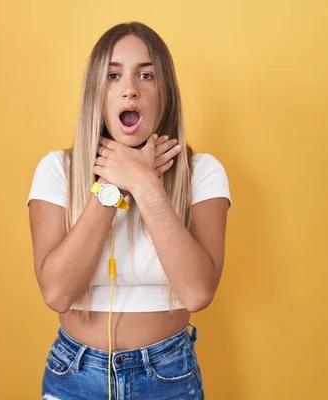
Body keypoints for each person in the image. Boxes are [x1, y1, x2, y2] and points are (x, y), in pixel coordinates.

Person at [26, 21, 231, 399]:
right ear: (96, 93)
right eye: (113, 75)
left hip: (168, 376)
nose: (130, 89)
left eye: (147, 74)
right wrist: (112, 185)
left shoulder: (203, 172)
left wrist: (145, 184)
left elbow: (198, 292)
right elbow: (56, 293)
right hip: (75, 375)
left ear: (164, 91)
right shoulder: (58, 170)